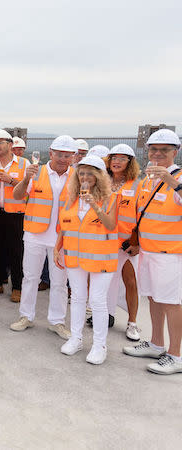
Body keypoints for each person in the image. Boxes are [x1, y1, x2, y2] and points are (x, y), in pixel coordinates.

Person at [123, 129, 182, 375]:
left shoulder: (177, 177)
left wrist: (171, 181)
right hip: (148, 252)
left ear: (175, 152)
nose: (157, 154)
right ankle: (157, 343)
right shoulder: (147, 180)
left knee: (172, 303)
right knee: (154, 299)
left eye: (164, 150)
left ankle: (176, 355)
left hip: (171, 254)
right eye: (153, 150)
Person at [54, 155, 119, 365]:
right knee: (78, 298)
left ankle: (100, 345)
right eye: (81, 173)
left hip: (101, 259)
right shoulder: (71, 198)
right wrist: (57, 248)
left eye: (90, 173)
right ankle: (76, 338)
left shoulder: (111, 198)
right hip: (75, 257)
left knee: (98, 301)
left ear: (99, 176)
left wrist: (94, 206)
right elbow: (65, 226)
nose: (84, 177)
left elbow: (110, 225)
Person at [9, 135, 75, 339]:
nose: (63, 159)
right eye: (59, 154)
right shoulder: (37, 172)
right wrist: (26, 178)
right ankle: (26, 316)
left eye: (67, 155)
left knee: (59, 283)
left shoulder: (77, 176)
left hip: (61, 238)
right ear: (51, 153)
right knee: (30, 278)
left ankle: (57, 322)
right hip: (35, 235)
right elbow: (17, 196)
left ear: (72, 157)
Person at [0, 129, 28, 303]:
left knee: (16, 252)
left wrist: (11, 180)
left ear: (10, 145)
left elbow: (29, 190)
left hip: (16, 214)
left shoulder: (23, 164)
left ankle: (17, 287)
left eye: (0, 143)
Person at [104, 144, 142, 340]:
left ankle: (132, 323)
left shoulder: (137, 185)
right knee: (106, 282)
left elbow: (143, 216)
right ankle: (106, 315)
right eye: (114, 158)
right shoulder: (102, 181)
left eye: (122, 158)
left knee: (130, 282)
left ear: (130, 162)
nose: (116, 162)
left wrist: (137, 243)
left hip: (126, 244)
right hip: (105, 242)